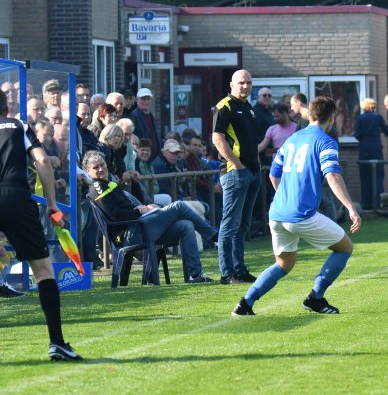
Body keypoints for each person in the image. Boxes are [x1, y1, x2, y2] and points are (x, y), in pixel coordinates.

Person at [231, 96, 362, 316]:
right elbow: (332, 176)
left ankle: (245, 303)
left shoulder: (292, 139)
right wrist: (350, 207)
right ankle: (316, 298)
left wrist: (285, 196)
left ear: (309, 115)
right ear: (331, 117)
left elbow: (274, 174)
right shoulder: (325, 140)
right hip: (301, 214)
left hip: (277, 213)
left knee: (283, 264)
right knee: (345, 248)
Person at [0, 89, 81, 359]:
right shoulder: (17, 125)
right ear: (5, 108)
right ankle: (57, 342)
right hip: (15, 197)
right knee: (43, 270)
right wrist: (52, 204)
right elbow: (43, 161)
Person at [84, 150, 218, 284]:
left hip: (140, 227)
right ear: (87, 171)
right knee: (178, 206)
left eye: (102, 164)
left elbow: (127, 208)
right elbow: (115, 216)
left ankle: (195, 275)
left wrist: (147, 207)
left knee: (186, 225)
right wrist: (140, 211)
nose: (101, 169)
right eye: (96, 167)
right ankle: (214, 236)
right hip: (130, 234)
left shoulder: (109, 183)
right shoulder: (97, 187)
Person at [212, 69, 261, 285]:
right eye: (241, 82)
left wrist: (254, 167)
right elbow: (217, 139)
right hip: (235, 173)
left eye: (248, 83)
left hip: (252, 171)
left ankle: (240, 270)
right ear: (232, 84)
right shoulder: (225, 106)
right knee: (229, 224)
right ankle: (227, 273)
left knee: (243, 225)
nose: (245, 86)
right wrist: (237, 164)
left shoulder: (248, 108)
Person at [352, 97, 388, 210]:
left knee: (365, 176)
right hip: (376, 149)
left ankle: (366, 204)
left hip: (364, 149)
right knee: (378, 175)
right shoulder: (378, 117)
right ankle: (378, 203)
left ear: (364, 106)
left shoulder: (360, 118)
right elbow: (387, 131)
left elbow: (357, 135)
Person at [130, 87, 162, 161]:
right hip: (142, 158)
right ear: (137, 100)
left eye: (148, 99)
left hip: (153, 158)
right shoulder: (134, 115)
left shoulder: (150, 115)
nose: (146, 102)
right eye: (143, 99)